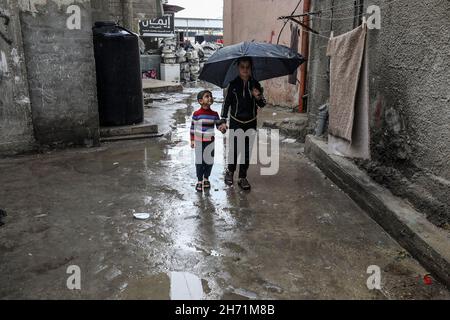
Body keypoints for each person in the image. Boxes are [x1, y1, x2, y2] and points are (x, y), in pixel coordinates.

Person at [218, 57, 266, 190]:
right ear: (238, 68)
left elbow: (262, 104)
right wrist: (223, 120)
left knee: (246, 151)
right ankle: (230, 172)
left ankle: (242, 177)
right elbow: (226, 103)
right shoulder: (233, 84)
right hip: (236, 122)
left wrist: (258, 97)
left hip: (250, 123)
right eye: (242, 67)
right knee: (234, 149)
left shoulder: (256, 84)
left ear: (251, 68)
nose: (245, 70)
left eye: (247, 67)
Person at [191, 90, 226, 192]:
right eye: (207, 96)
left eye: (211, 96)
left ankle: (206, 178)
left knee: (209, 161)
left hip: (210, 142)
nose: (210, 98)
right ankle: (199, 180)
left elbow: (219, 126)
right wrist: (192, 140)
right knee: (199, 162)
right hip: (199, 141)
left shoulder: (214, 114)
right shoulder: (196, 114)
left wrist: (223, 128)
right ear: (200, 101)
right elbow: (192, 128)